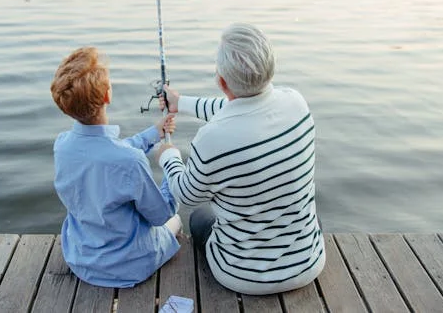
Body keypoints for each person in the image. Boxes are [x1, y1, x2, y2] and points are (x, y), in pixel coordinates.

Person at [157, 23, 325, 295]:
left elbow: (186, 196)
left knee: (200, 216)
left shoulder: (211, 139)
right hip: (309, 264)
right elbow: (240, 107)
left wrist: (169, 157)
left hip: (242, 277)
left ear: (222, 82)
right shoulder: (297, 103)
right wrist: (182, 103)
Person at [51, 46, 182, 288]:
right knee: (175, 219)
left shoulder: (62, 146)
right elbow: (160, 215)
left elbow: (106, 152)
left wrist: (153, 134)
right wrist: (171, 167)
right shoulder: (130, 160)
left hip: (81, 259)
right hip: (128, 266)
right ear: (107, 97)